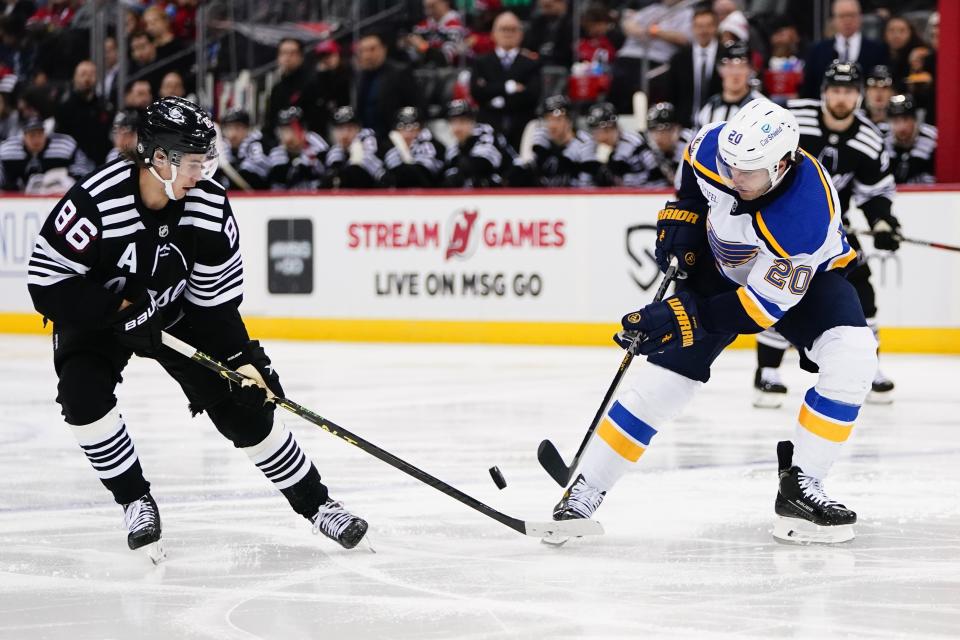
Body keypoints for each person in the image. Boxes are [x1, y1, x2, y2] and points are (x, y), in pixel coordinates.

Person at [25, 97, 368, 559]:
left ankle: (319, 505)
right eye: (193, 164)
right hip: (100, 315)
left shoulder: (208, 206)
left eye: (207, 162)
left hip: (176, 314)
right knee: (82, 398)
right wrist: (116, 310)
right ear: (157, 157)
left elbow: (215, 305)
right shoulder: (97, 201)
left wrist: (246, 359)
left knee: (245, 408)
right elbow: (47, 282)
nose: (201, 175)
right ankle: (135, 500)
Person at [551, 98, 877, 545]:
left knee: (853, 358)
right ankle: (585, 488)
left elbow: (759, 311)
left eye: (747, 172)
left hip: (803, 283)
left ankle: (804, 486)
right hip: (719, 267)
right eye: (729, 165)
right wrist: (684, 215)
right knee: (662, 384)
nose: (732, 176)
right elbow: (692, 174)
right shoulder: (715, 146)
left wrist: (681, 316)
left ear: (781, 165)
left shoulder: (804, 219)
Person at [753, 61, 899, 407]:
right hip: (781, 225)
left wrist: (882, 223)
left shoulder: (868, 139)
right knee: (779, 288)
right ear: (823, 93)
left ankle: (869, 366)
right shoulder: (792, 119)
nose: (841, 98)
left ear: (859, 96)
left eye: (849, 91)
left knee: (862, 290)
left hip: (836, 231)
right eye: (835, 90)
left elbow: (875, 192)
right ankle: (767, 372)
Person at [470, 11, 542, 151]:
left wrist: (494, 96)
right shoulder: (481, 62)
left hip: (522, 127)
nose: (508, 33)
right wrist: (510, 87)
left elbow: (533, 95)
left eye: (513, 29)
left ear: (521, 34)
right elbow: (477, 93)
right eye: (503, 29)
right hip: (488, 127)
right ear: (493, 33)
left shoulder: (531, 63)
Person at [801, 0, 888, 99]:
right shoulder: (817, 51)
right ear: (833, 19)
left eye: (851, 15)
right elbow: (808, 89)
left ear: (860, 17)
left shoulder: (878, 50)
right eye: (842, 16)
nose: (847, 20)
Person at [354, 32, 420, 139]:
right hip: (366, 137)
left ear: (383, 49)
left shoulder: (400, 73)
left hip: (393, 136)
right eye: (363, 51)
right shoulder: (360, 77)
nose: (367, 55)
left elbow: (416, 108)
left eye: (372, 49)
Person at [0, 115, 93, 191]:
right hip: (18, 200)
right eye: (32, 135)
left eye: (40, 134)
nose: (36, 139)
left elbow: (83, 168)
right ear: (24, 136)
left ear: (45, 133)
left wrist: (72, 180)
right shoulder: (7, 150)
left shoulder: (64, 146)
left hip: (59, 195)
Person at [665, 6, 721, 128]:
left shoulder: (725, 56)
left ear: (716, 27)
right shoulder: (679, 58)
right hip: (685, 126)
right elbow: (671, 94)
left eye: (708, 25)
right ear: (692, 28)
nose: (703, 30)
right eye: (699, 26)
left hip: (718, 124)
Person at [442, 98, 516, 188]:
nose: (457, 128)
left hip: (518, 190)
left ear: (473, 121)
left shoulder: (487, 135)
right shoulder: (454, 148)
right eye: (453, 122)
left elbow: (481, 165)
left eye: (462, 121)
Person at [581, 101, 656, 187]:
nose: (602, 136)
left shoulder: (633, 143)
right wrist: (600, 167)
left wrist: (611, 165)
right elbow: (584, 184)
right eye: (596, 131)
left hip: (641, 195)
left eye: (607, 129)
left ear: (616, 127)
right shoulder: (589, 147)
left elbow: (655, 176)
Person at [695, 40, 763, 128]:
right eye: (730, 66)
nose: (735, 73)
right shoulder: (708, 108)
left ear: (750, 70)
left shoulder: (761, 106)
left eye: (741, 66)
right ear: (720, 70)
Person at [54, 60, 112, 165]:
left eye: (91, 74)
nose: (87, 79)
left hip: (100, 163)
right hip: (72, 164)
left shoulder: (105, 107)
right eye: (83, 74)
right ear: (74, 78)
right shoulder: (64, 107)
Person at [529, 94, 593, 187]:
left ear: (569, 121)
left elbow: (587, 189)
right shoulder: (542, 141)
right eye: (548, 119)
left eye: (557, 120)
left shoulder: (585, 144)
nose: (552, 125)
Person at [380, 106, 446, 188]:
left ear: (421, 129)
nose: (408, 134)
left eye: (414, 128)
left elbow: (420, 176)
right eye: (402, 127)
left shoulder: (434, 146)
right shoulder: (386, 147)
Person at [266, 106, 329, 191]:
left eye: (291, 129)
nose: (288, 136)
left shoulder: (316, 145)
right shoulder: (276, 153)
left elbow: (327, 176)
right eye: (283, 130)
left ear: (303, 129)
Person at [324, 105, 384, 189]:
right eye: (340, 129)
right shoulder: (335, 150)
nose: (345, 134)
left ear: (358, 129)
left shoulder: (367, 142)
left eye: (350, 128)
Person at [886, 93, 936, 184]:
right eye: (896, 121)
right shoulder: (883, 142)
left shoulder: (933, 139)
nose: (902, 127)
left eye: (906, 119)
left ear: (915, 119)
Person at [217, 108, 270, 191]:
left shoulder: (256, 144)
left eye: (237, 127)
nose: (232, 134)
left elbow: (254, 180)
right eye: (228, 128)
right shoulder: (224, 147)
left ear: (248, 129)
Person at [405, 0, 466, 67]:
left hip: (451, 72)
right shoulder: (422, 25)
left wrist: (424, 47)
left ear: (445, 3)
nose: (428, 11)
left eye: (432, 6)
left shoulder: (456, 25)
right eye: (427, 7)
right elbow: (411, 56)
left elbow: (445, 58)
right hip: (423, 70)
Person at [643, 101, 690, 187]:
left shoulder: (691, 145)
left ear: (676, 129)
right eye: (653, 131)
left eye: (662, 131)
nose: (657, 137)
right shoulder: (652, 147)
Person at [863, 65, 894, 134]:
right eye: (874, 87)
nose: (879, 92)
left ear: (892, 93)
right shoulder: (855, 121)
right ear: (865, 91)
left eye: (885, 87)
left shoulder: (900, 125)